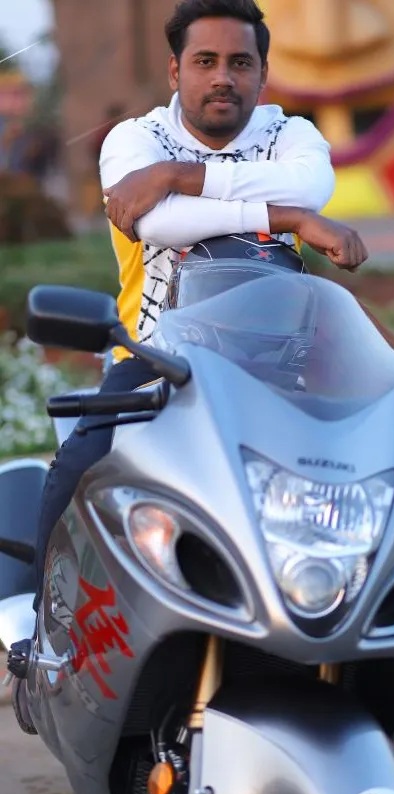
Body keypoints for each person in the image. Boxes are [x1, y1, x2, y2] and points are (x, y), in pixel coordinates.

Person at [13, 0, 368, 733]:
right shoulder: (131, 138)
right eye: (204, 62)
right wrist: (287, 219)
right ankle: (44, 640)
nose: (222, 79)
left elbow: (309, 187)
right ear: (175, 69)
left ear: (263, 74)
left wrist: (182, 175)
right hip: (154, 359)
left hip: (279, 370)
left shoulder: (290, 133)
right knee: (75, 467)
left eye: (240, 63)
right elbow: (153, 222)